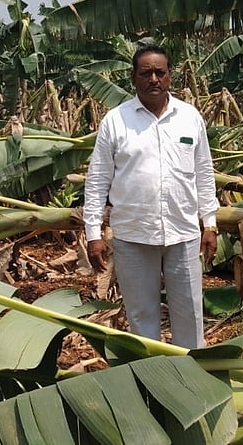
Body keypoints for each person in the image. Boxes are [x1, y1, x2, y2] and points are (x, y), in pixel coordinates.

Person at [82, 45, 220, 349]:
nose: (153, 79)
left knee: (190, 315)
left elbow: (204, 174)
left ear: (170, 76)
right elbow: (97, 181)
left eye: (160, 72)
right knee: (142, 316)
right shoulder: (116, 121)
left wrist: (209, 224)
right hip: (133, 237)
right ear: (134, 78)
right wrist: (93, 234)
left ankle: (190, 382)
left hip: (183, 235)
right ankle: (152, 382)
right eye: (146, 73)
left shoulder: (189, 118)